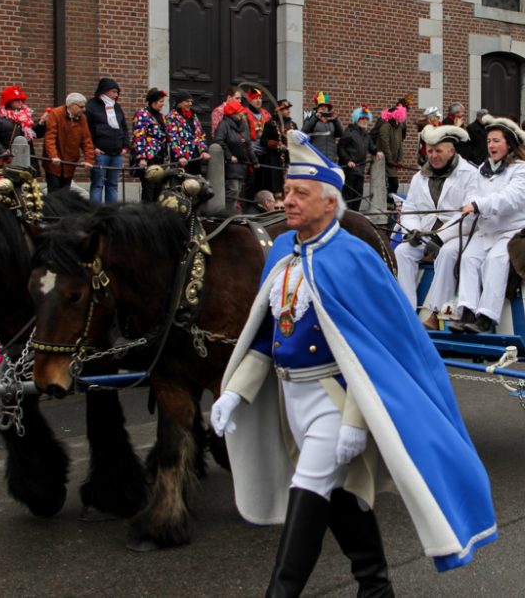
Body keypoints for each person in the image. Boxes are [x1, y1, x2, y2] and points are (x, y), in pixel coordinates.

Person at [209, 129, 497, 596]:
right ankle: (375, 584)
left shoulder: (355, 258)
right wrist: (234, 393)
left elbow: (375, 354)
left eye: (301, 194)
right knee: (340, 497)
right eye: (286, 192)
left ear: (329, 203)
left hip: (334, 401)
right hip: (291, 403)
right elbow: (265, 337)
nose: (288, 202)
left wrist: (354, 420)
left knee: (307, 493)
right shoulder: (282, 252)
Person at [449, 115, 525, 334]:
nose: (491, 145)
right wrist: (467, 207)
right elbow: (472, 195)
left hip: (514, 231)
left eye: (496, 140)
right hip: (488, 231)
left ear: (509, 143)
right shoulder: (482, 170)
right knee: (468, 258)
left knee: (496, 261)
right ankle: (467, 311)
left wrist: (478, 204)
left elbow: (511, 199)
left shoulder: (523, 171)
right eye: (489, 141)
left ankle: (486, 317)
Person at [395, 124, 478, 329]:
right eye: (430, 151)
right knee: (402, 251)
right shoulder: (418, 177)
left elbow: (468, 217)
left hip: (459, 234)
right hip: (426, 233)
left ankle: (434, 312)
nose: (433, 155)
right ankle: (407, 312)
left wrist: (439, 237)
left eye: (438, 150)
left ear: (452, 150)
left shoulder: (470, 174)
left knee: (448, 253)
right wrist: (412, 230)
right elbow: (410, 209)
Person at [85, 77, 130, 204]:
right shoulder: (91, 106)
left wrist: (125, 146)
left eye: (117, 92)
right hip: (100, 153)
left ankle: (111, 213)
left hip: (117, 153)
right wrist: (93, 148)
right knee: (98, 184)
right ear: (104, 91)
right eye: (113, 92)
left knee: (113, 184)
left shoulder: (117, 107)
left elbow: (124, 127)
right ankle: (96, 213)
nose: (116, 95)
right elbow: (85, 131)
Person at [43, 92, 95, 194]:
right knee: (54, 191)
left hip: (70, 162)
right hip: (54, 163)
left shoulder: (82, 118)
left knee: (65, 191)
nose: (84, 109)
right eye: (81, 107)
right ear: (71, 105)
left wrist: (89, 159)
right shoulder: (56, 114)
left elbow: (86, 140)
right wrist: (53, 156)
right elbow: (50, 137)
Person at [0, 85, 44, 174]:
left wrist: (41, 123)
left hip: (25, 156)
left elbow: (37, 134)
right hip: (7, 156)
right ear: (9, 101)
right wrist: (2, 151)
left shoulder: (26, 116)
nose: (20, 102)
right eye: (16, 100)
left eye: (21, 100)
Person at [132, 88, 169, 203]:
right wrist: (141, 157)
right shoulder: (142, 114)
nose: (163, 104)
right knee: (149, 187)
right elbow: (139, 135)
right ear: (153, 102)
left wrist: (166, 155)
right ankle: (146, 214)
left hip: (160, 155)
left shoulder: (162, 116)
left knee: (159, 188)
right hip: (149, 156)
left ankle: (156, 214)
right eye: (161, 101)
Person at [214, 98, 251, 214]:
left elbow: (248, 143)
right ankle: (228, 214)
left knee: (239, 190)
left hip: (242, 163)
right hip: (231, 164)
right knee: (233, 190)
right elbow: (219, 140)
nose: (241, 114)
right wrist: (229, 156)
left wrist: (253, 160)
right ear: (232, 114)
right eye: (239, 112)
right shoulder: (224, 125)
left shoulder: (242, 125)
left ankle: (234, 213)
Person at [337, 105, 376, 211]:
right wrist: (347, 160)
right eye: (362, 119)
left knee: (358, 194)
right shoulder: (349, 132)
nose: (364, 121)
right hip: (349, 169)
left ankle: (355, 214)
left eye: (366, 119)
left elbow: (371, 147)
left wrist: (377, 151)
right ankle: (347, 215)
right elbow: (341, 148)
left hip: (360, 169)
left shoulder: (366, 135)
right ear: (357, 119)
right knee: (348, 194)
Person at [166, 89, 209, 176]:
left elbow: (200, 134)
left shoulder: (193, 115)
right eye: (187, 101)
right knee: (181, 184)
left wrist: (204, 150)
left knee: (196, 184)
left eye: (191, 101)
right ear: (179, 103)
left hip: (195, 155)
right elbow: (172, 138)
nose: (190, 104)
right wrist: (180, 156)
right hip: (182, 158)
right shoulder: (172, 117)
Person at [259, 99, 296, 196]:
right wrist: (277, 145)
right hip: (274, 160)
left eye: (288, 109)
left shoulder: (293, 124)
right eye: (285, 109)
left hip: (289, 159)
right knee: (275, 184)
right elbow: (263, 141)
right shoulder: (270, 124)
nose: (288, 111)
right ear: (278, 111)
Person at [376, 102, 407, 198]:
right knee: (389, 184)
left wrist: (400, 160)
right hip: (385, 162)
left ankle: (391, 203)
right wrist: (389, 160)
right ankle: (387, 204)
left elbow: (400, 145)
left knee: (394, 184)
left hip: (393, 162)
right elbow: (385, 144)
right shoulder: (385, 127)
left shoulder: (399, 128)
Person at [301, 91, 342, 163]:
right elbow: (303, 131)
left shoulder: (332, 121)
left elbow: (341, 134)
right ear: (317, 109)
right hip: (317, 158)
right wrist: (315, 118)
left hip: (331, 159)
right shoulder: (311, 120)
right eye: (321, 107)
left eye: (325, 107)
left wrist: (335, 120)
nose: (324, 109)